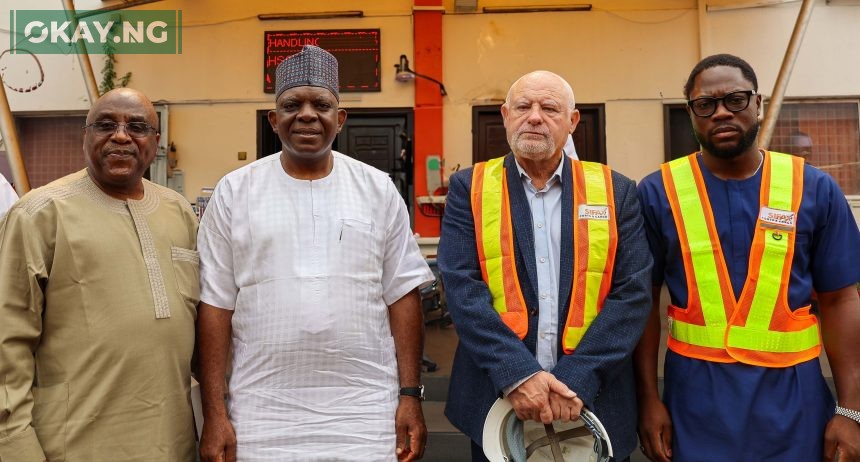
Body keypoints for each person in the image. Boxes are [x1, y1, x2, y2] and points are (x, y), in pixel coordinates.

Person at [196, 45, 434, 461]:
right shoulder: (236, 191)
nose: (307, 114)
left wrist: (410, 395)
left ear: (339, 119)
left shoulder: (376, 189)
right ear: (274, 120)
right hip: (262, 410)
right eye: (292, 104)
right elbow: (215, 305)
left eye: (321, 104)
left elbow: (402, 296)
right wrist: (215, 411)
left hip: (365, 410)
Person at [635, 54, 860, 462]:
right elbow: (643, 303)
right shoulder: (656, 192)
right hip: (694, 403)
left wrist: (851, 410)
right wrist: (648, 400)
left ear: (758, 103)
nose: (721, 112)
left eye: (735, 100)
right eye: (705, 104)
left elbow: (841, 299)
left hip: (795, 402)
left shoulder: (815, 189)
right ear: (691, 114)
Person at [438, 70, 652, 461]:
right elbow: (462, 287)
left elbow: (633, 293)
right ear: (505, 115)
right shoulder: (469, 187)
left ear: (572, 121)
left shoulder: (616, 190)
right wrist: (517, 375)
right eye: (523, 106)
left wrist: (579, 378)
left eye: (549, 107)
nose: (534, 116)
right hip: (497, 398)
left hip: (595, 398)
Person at [0, 88, 199, 461]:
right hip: (75, 443)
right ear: (85, 135)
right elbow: (6, 345)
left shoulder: (178, 212)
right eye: (105, 125)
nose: (121, 135)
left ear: (155, 142)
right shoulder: (38, 215)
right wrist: (15, 449)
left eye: (137, 126)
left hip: (172, 441)